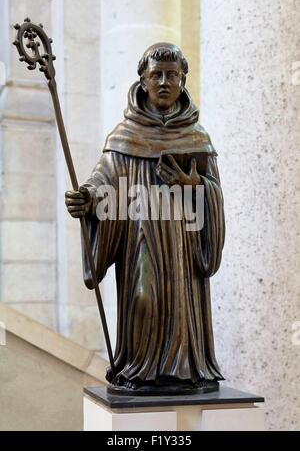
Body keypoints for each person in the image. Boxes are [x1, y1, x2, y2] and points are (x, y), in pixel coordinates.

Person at [65, 43, 225, 394]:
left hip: (183, 242)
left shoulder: (197, 137)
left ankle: (182, 371)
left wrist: (193, 183)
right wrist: (88, 198)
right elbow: (104, 178)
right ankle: (140, 369)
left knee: (182, 307)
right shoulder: (124, 136)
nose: (164, 82)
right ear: (143, 80)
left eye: (172, 75)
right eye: (156, 75)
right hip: (141, 238)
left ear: (183, 80)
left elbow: (214, 191)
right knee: (143, 297)